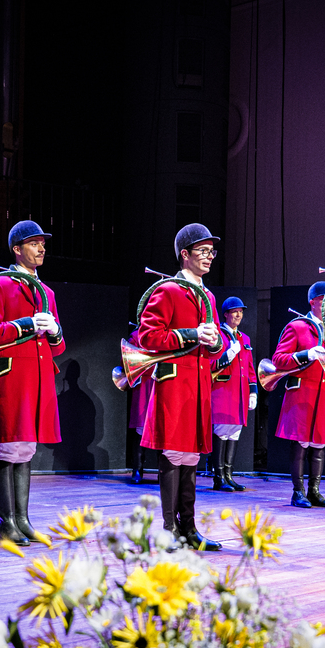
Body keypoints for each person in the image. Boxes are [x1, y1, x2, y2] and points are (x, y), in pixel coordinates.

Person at [137, 223, 226, 549]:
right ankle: (168, 529)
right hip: (175, 383)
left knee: (191, 456)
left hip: (198, 385)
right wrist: (192, 335)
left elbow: (215, 344)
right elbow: (147, 337)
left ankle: (188, 528)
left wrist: (215, 342)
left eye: (211, 252)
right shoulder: (169, 290)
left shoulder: (208, 296)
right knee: (174, 453)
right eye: (203, 251)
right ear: (184, 255)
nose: (209, 257)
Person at [0, 220, 64, 544]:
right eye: (34, 243)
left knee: (27, 447)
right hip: (14, 375)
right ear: (16, 249)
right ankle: (6, 524)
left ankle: (23, 520)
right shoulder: (0, 284)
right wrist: (26, 324)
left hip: (40, 377)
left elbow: (57, 347)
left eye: (43, 243)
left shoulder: (47, 292)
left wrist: (55, 331)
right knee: (10, 445)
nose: (41, 249)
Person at [272, 281, 325, 508]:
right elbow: (278, 360)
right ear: (313, 302)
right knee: (301, 443)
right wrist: (305, 354)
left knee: (319, 444)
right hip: (302, 394)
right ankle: (297, 492)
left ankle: (314, 491)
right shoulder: (298, 326)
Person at [209, 296, 256, 491]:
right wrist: (228, 355)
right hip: (223, 391)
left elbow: (250, 368)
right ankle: (218, 477)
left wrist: (253, 391)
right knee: (221, 431)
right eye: (235, 311)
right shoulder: (218, 335)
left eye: (241, 312)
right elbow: (209, 364)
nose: (238, 315)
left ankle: (229, 476)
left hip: (240, 393)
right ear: (226, 314)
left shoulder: (245, 338)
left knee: (234, 433)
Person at [127, 324, 154, 483]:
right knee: (141, 428)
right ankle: (137, 469)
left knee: (162, 427)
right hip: (143, 384)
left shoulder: (166, 334)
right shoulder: (137, 335)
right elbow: (128, 360)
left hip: (161, 382)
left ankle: (163, 471)